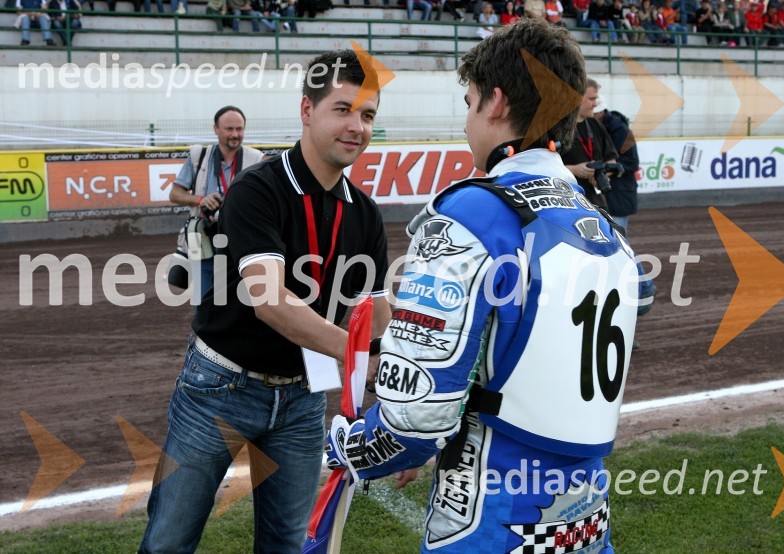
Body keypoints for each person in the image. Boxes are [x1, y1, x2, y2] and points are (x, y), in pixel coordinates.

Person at [326, 19, 641, 553]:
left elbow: (416, 416)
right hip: (585, 519)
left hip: (491, 519)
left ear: (495, 103)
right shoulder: (601, 222)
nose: (468, 121)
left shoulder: (474, 211)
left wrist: (343, 448)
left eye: (469, 101)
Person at [139, 50, 392, 553]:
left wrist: (392, 393)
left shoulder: (364, 213)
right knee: (168, 541)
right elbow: (270, 301)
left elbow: (376, 316)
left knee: (284, 546)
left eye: (367, 116)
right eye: (342, 109)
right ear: (306, 111)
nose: (357, 127)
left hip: (300, 398)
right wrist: (361, 358)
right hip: (219, 388)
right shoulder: (258, 189)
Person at [168, 106, 264, 301]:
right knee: (202, 299)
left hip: (239, 240)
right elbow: (175, 194)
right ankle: (201, 332)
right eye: (229, 129)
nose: (235, 134)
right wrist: (200, 199)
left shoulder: (257, 159)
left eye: (239, 129)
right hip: (202, 238)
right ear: (216, 129)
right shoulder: (198, 156)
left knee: (237, 301)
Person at [560, 78, 619, 210]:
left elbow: (611, 159)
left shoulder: (595, 124)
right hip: (568, 204)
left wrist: (602, 174)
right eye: (591, 99)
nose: (595, 104)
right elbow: (543, 168)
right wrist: (574, 170)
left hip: (597, 204)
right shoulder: (557, 128)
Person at [593, 96, 638, 232]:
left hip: (619, 190)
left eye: (594, 112)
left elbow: (632, 162)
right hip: (614, 191)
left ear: (601, 112)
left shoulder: (620, 130)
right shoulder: (598, 127)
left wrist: (606, 170)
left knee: (617, 234)